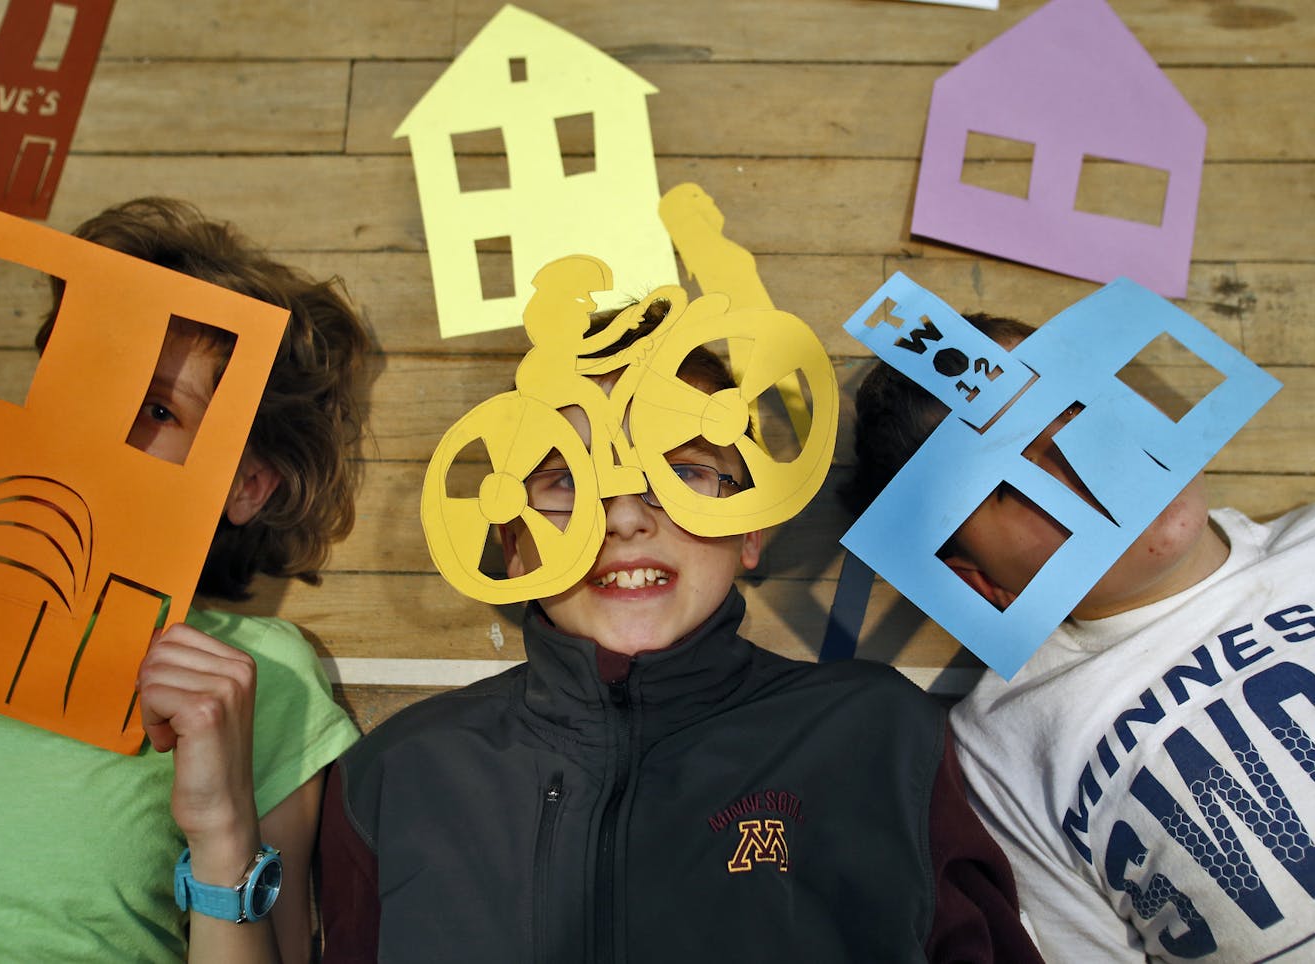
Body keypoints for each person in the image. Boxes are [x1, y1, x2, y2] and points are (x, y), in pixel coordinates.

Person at [318, 297, 1042, 962]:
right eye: (568, 481)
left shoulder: (877, 736)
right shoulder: (399, 776)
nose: (627, 517)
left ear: (750, 527)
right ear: (512, 539)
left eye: (687, 472)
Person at [848, 311, 1315, 962]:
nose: (1084, 455)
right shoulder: (1003, 752)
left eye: (1081, 404)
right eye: (1011, 479)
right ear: (979, 583)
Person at [0, 198, 371, 962]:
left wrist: (222, 828)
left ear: (247, 485)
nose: (95, 426)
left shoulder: (254, 678)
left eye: (155, 408)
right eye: (79, 376)